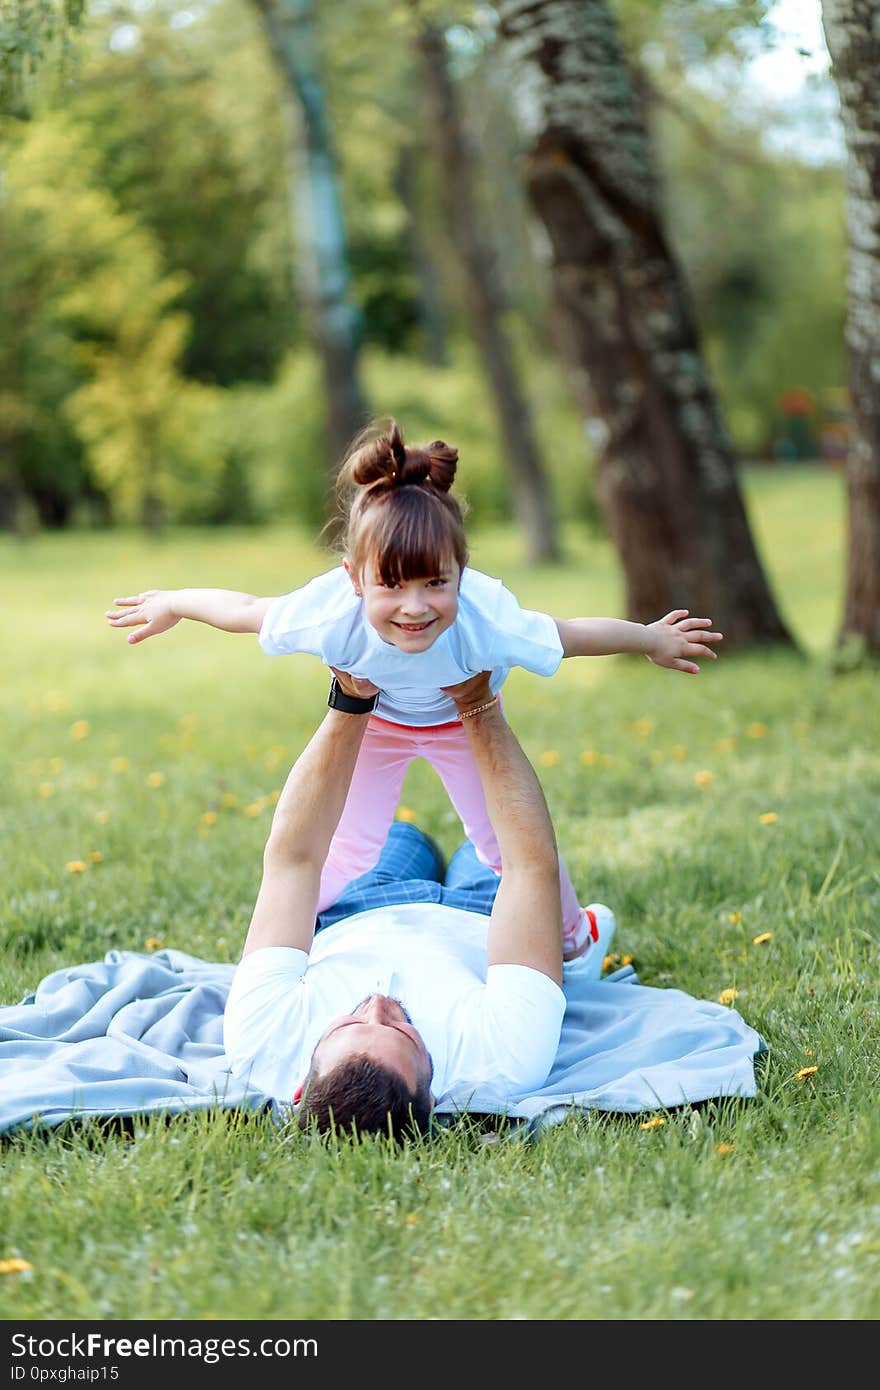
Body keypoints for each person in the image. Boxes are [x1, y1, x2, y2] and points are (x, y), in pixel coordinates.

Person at [106, 419, 722, 969]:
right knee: (348, 846)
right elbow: (242, 609)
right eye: (393, 585)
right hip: (376, 723)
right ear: (354, 578)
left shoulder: (486, 616)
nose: (416, 606)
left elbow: (568, 633)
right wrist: (173, 603)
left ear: (462, 569)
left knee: (509, 846)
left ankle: (571, 936)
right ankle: (285, 939)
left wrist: (648, 638)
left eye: (436, 582)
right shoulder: (327, 614)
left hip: (464, 723)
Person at [222, 668, 615, 1141]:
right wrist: (477, 703)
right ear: (432, 1099)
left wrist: (351, 699)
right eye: (402, 1032)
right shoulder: (503, 1062)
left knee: (401, 838)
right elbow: (529, 865)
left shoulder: (262, 1044)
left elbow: (294, 860)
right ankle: (576, 947)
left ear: (302, 1085)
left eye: (348, 1023)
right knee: (485, 851)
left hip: (357, 907)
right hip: (484, 918)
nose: (379, 1006)